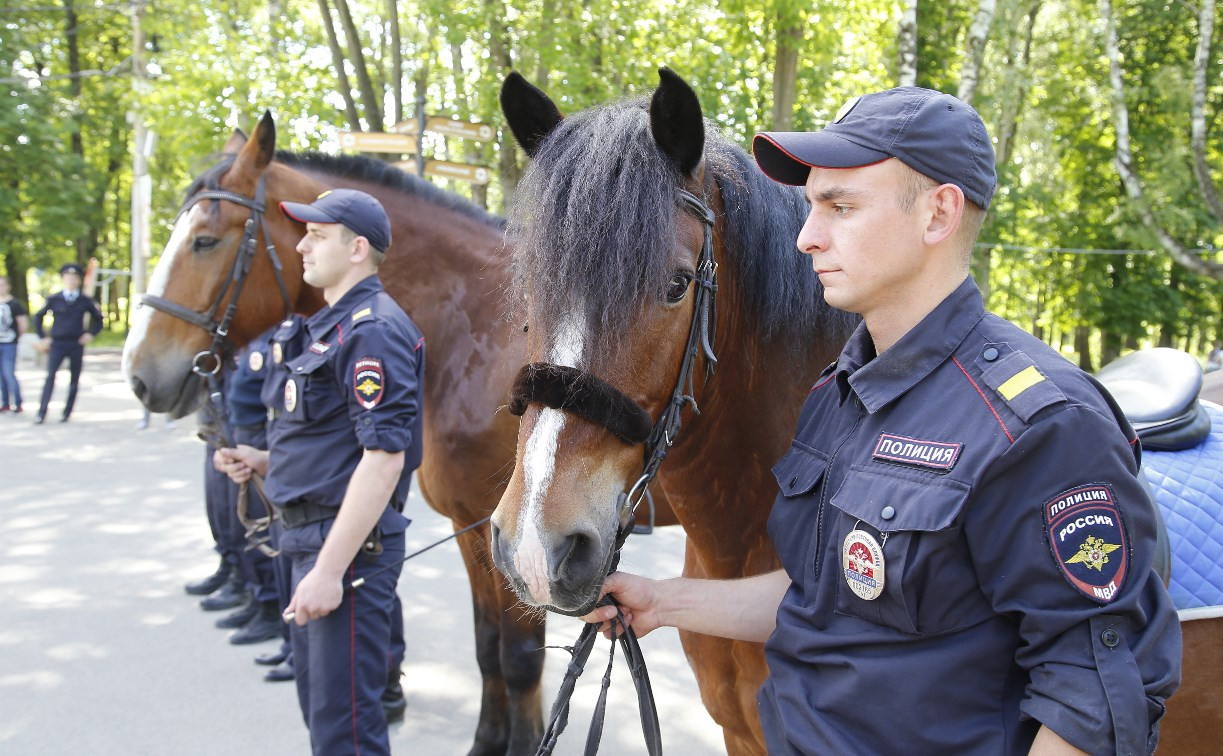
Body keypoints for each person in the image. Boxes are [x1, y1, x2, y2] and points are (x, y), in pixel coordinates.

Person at [583, 87, 1182, 754]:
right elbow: (827, 594)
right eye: (811, 207)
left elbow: (1093, 694)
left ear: (937, 214)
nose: (806, 237)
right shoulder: (840, 393)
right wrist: (664, 602)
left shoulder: (1038, 426)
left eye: (839, 207)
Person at [216, 189, 423, 754]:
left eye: (317, 234)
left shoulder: (372, 330)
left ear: (357, 249)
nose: (302, 245)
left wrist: (330, 571)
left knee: (345, 732)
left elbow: (384, 460)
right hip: (303, 537)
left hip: (343, 549)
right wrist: (264, 461)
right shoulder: (332, 326)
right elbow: (336, 441)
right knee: (322, 715)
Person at [31, 262, 103, 424]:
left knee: (74, 379)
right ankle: (42, 413)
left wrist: (90, 334)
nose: (71, 280)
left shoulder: (85, 300)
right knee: (50, 377)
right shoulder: (55, 298)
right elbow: (38, 316)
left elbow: (99, 320)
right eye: (68, 277)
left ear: (79, 280)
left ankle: (67, 412)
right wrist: (43, 336)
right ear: (63, 278)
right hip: (57, 343)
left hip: (75, 343)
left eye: (75, 277)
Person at [0, 275, 28, 414]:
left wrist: (15, 338)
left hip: (9, 344)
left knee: (9, 372)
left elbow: (23, 325)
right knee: (1, 375)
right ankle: (5, 403)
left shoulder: (15, 304)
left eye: (2, 285)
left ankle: (18, 402)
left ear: (8, 286)